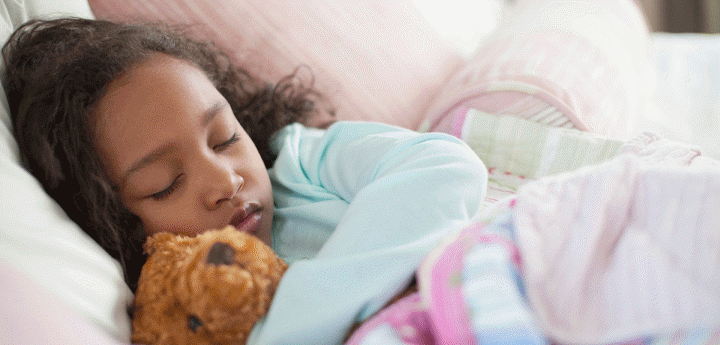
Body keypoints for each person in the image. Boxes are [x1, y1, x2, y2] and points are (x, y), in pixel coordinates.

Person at [3, 18, 487, 344]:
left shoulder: (302, 163)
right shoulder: (181, 315)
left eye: (223, 138)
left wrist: (292, 321)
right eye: (165, 184)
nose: (226, 180)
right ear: (109, 221)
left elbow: (445, 168)